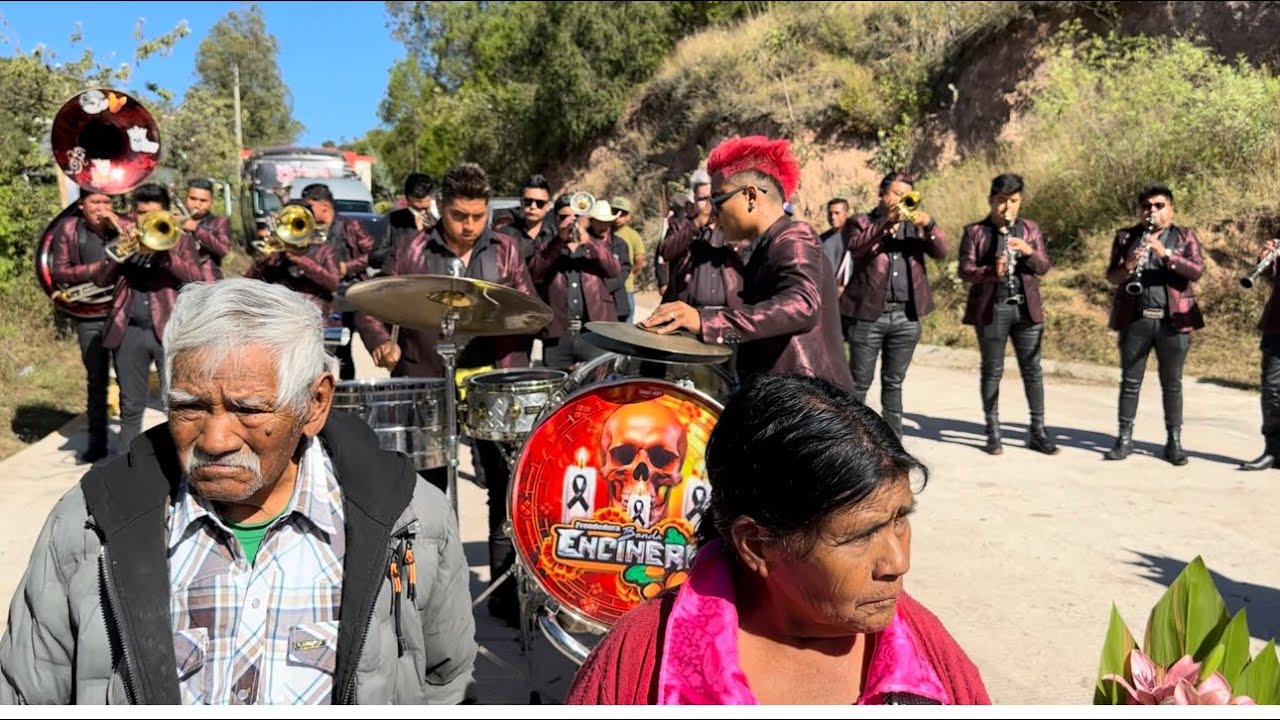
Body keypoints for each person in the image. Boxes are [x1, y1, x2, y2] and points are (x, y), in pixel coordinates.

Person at [0, 278, 476, 704]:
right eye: (189, 407)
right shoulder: (88, 527)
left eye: (248, 410)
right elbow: (25, 696)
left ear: (314, 404)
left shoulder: (412, 522)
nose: (215, 440)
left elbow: (445, 683)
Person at [565, 373, 990, 705]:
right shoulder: (639, 664)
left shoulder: (922, 650)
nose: (898, 562)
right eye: (861, 536)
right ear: (758, 545)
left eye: (900, 519)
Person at [356, 162, 537, 626]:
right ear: (441, 208)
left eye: (478, 216)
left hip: (488, 383)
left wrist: (509, 361)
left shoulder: (506, 250)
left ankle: (503, 594)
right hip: (426, 376)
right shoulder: (411, 248)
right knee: (426, 489)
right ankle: (427, 598)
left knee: (503, 484)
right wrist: (380, 340)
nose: (469, 226)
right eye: (459, 216)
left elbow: (529, 310)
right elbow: (370, 304)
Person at [642, 136, 852, 391]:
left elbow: (800, 306)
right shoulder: (762, 248)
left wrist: (706, 321)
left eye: (718, 200)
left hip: (810, 403)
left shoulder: (794, 236)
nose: (713, 213)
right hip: (786, 396)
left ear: (750, 196)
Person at [101, 183, 216, 453]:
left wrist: (164, 254)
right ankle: (129, 466)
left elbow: (196, 278)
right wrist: (121, 253)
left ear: (165, 213)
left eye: (152, 213)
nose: (146, 219)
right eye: (141, 213)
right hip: (128, 330)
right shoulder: (124, 239)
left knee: (176, 403)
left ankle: (177, 465)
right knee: (130, 405)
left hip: (169, 330)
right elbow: (101, 279)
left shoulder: (180, 241)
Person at [841, 171, 949, 438]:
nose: (903, 200)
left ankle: (893, 442)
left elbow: (942, 252)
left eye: (908, 196)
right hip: (869, 316)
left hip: (906, 317)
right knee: (859, 383)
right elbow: (855, 247)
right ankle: (851, 441)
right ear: (882, 194)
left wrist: (930, 224)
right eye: (897, 194)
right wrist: (884, 224)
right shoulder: (860, 222)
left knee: (894, 383)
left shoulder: (914, 227)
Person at [958, 173, 1059, 456]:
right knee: (992, 370)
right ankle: (993, 431)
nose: (1007, 207)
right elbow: (965, 270)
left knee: (1032, 370)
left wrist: (1028, 251)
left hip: (1026, 308)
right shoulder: (975, 232)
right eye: (1001, 201)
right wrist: (992, 271)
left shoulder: (1030, 229)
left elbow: (1044, 266)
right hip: (993, 308)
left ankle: (1038, 431)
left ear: (1020, 201)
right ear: (991, 201)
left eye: (1013, 201)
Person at [1103, 183, 1204, 465]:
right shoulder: (1126, 237)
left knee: (1172, 383)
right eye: (1147, 206)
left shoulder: (1185, 236)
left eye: (1159, 206)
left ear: (1171, 210)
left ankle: (1174, 442)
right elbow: (1112, 277)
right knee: (1130, 382)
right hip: (1136, 319)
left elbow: (1196, 271)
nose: (1152, 211)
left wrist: (1166, 254)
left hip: (1174, 321)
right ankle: (1124, 439)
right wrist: (1127, 265)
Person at [48, 191, 120, 464]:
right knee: (96, 380)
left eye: (106, 202)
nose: (102, 208)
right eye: (95, 203)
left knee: (128, 382)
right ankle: (96, 444)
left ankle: (131, 444)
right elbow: (59, 271)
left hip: (121, 311)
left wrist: (122, 230)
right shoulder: (69, 229)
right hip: (89, 314)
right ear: (81, 205)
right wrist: (94, 270)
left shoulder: (121, 226)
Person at [530, 195, 621, 370]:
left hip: (593, 331)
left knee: (596, 380)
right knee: (558, 382)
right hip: (557, 333)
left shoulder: (597, 242)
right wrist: (559, 241)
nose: (570, 221)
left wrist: (589, 242)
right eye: (563, 217)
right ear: (555, 219)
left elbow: (614, 270)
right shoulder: (547, 243)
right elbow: (535, 273)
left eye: (576, 216)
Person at [300, 183, 375, 381]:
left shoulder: (350, 226)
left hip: (347, 293)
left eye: (310, 206)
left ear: (325, 205)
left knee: (344, 348)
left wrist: (347, 267)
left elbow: (373, 254)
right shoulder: (307, 228)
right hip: (320, 294)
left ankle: (347, 391)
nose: (306, 211)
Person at [1243, 237, 1280, 470]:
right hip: (1277, 326)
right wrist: (1266, 259)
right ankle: (1273, 451)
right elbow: (1272, 277)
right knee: (1271, 389)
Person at [371, 172, 435, 272]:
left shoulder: (441, 222)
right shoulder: (393, 220)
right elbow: (374, 258)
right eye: (416, 209)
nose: (422, 213)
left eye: (425, 208)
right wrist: (405, 249)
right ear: (407, 200)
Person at [495, 174, 557, 265]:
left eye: (539, 203)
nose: (533, 206)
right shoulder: (506, 235)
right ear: (521, 203)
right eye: (528, 202)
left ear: (548, 207)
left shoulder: (554, 236)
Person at [180, 177, 233, 276]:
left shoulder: (219, 222)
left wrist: (197, 229)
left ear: (211, 202)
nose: (197, 204)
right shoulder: (178, 219)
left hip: (207, 279)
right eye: (192, 199)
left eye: (203, 201)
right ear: (185, 198)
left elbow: (223, 250)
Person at [611, 196, 646, 322]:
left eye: (622, 214)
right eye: (614, 212)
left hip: (626, 287)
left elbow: (639, 261)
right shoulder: (604, 231)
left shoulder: (632, 235)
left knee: (626, 322)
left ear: (628, 217)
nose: (618, 217)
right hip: (606, 287)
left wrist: (629, 275)